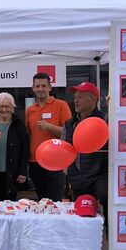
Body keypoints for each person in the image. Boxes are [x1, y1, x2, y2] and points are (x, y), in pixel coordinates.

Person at [62, 82, 108, 223]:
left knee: (105, 217)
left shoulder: (105, 119)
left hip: (99, 176)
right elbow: (64, 147)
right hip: (77, 177)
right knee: (80, 219)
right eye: (75, 97)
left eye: (80, 97)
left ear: (94, 98)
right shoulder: (69, 123)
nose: (75, 100)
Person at [26, 73, 71, 201]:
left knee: (55, 201)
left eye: (44, 86)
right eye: (37, 86)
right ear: (33, 88)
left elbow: (69, 133)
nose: (40, 89)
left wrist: (49, 127)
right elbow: (29, 135)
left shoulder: (61, 105)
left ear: (50, 88)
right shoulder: (30, 110)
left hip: (56, 162)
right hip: (35, 162)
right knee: (42, 200)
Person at [0, 92, 29, 201]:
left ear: (12, 107)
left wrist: (23, 171)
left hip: (12, 172)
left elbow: (25, 148)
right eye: (1, 106)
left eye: (7, 106)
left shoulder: (18, 123)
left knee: (10, 204)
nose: (4, 110)